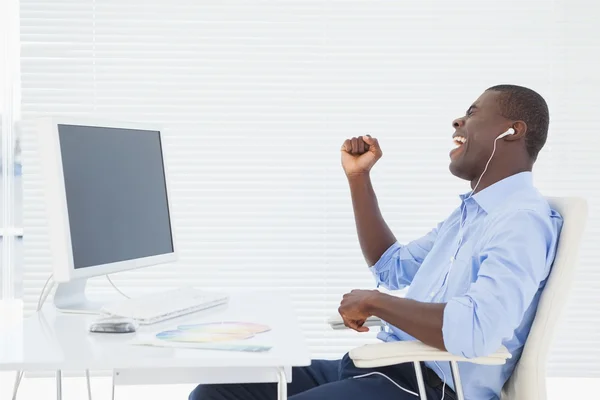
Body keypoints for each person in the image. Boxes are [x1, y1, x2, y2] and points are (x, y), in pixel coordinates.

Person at [189, 84, 563, 400]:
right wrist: (359, 177)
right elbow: (392, 266)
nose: (457, 121)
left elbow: (476, 329)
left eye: (472, 112)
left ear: (512, 131)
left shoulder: (521, 222)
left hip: (427, 387)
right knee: (217, 391)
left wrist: (375, 302)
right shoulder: (470, 214)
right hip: (383, 366)